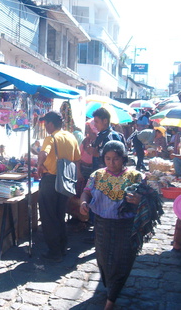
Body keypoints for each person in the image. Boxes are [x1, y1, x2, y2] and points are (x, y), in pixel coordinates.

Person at [80, 141, 143, 310]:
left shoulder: (135, 176)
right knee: (103, 259)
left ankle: (111, 299)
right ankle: (112, 288)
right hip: (102, 225)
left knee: (122, 261)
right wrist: (83, 204)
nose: (111, 162)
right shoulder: (97, 175)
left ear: (123, 158)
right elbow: (86, 192)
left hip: (126, 226)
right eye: (107, 158)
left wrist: (138, 200)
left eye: (115, 159)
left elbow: (148, 201)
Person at [36, 111, 81, 262]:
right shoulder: (70, 137)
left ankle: (54, 252)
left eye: (45, 124)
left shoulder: (51, 138)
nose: (45, 127)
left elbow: (43, 153)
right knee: (60, 215)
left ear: (50, 124)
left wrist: (39, 165)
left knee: (48, 217)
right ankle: (62, 247)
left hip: (50, 181)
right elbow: (76, 159)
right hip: (66, 180)